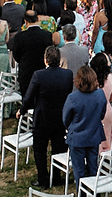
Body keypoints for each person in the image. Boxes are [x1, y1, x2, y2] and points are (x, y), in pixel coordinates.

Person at [23, 46, 75, 189]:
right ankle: (56, 176)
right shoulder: (67, 75)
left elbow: (29, 96)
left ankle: (43, 180)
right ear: (59, 60)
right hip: (60, 118)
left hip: (43, 118)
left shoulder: (39, 75)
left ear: (45, 60)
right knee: (58, 148)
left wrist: (22, 110)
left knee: (40, 150)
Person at [62, 65, 108, 197]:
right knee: (93, 167)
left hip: (77, 137)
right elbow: (101, 114)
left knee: (79, 170)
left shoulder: (73, 98)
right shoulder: (100, 95)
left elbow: (65, 119)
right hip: (93, 135)